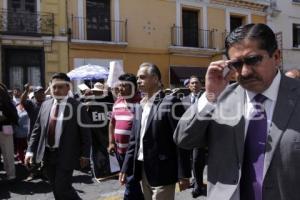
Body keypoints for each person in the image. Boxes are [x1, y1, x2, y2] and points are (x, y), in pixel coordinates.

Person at [174, 23, 300, 200]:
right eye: (237, 64)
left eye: (254, 60)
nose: (245, 71)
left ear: (277, 56)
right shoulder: (219, 98)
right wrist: (210, 96)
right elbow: (184, 139)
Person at [120, 62, 191, 200]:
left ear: (155, 79)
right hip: (144, 169)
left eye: (142, 77)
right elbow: (134, 140)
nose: (138, 81)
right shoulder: (140, 105)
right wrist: (125, 168)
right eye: (137, 78)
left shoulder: (170, 102)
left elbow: (181, 139)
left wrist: (184, 173)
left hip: (163, 170)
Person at [24, 73, 91, 200]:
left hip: (66, 154)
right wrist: (30, 150)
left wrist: (85, 154)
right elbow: (37, 130)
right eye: (54, 87)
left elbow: (86, 133)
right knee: (55, 187)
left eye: (60, 87)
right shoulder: (45, 105)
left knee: (62, 187)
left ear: (68, 88)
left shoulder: (77, 107)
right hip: (47, 155)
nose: (56, 90)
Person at [108, 73, 144, 200]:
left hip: (134, 153)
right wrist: (111, 142)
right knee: (131, 182)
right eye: (119, 86)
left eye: (124, 86)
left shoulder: (142, 103)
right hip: (120, 151)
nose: (120, 89)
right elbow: (112, 123)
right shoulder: (118, 101)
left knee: (130, 182)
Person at [181, 75, 207, 198]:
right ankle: (195, 180)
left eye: (197, 83)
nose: (195, 85)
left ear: (201, 85)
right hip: (188, 136)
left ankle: (198, 186)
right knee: (191, 160)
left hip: (201, 136)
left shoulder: (207, 98)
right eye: (192, 83)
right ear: (188, 86)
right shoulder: (183, 100)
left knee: (197, 160)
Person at [0, 83, 18, 181]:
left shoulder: (7, 102)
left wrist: (4, 117)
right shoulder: (8, 101)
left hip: (6, 128)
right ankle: (10, 174)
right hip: (6, 128)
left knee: (8, 153)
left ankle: (11, 175)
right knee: (8, 153)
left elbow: (13, 116)